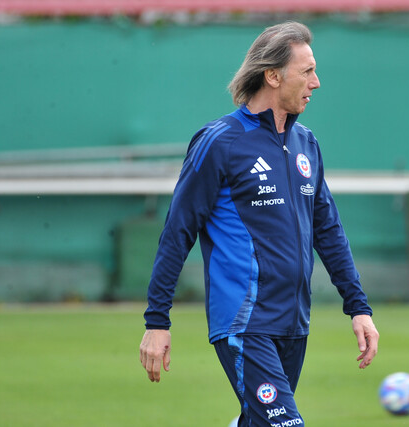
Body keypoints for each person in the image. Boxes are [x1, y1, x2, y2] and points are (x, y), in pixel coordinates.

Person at [139, 21, 379, 426]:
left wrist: (358, 307)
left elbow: (329, 231)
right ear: (272, 75)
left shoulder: (307, 143)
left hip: (294, 322)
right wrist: (157, 321)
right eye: (306, 71)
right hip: (244, 321)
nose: (316, 82)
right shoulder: (220, 141)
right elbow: (177, 232)